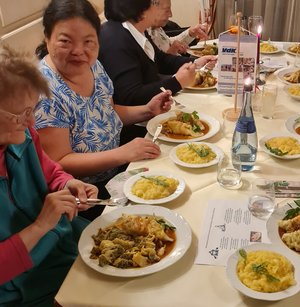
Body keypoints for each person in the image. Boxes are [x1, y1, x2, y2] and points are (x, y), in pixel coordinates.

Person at [34, 0, 173, 220]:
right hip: (86, 197)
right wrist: (124, 153)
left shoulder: (92, 65)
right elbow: (59, 161)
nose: (79, 51)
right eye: (65, 41)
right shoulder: (44, 90)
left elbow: (107, 113)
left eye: (88, 41)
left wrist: (147, 110)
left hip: (118, 174)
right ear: (47, 38)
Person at [0, 45, 98, 306]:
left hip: (59, 245)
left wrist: (68, 183)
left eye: (34, 109)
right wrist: (41, 225)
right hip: (21, 288)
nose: (32, 123)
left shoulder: (22, 136)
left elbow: (48, 169)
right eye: (22, 115)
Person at [99, 0, 217, 106]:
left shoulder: (137, 29)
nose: (170, 14)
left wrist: (196, 63)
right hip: (136, 124)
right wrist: (177, 82)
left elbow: (161, 60)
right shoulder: (117, 40)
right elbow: (131, 96)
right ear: (142, 11)